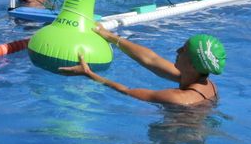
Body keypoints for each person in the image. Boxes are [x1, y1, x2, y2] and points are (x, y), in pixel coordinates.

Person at [62, 29, 224, 108]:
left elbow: (127, 91)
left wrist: (88, 73)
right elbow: (152, 59)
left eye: (183, 50)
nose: (177, 51)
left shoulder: (177, 98)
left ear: (192, 65)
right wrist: (110, 37)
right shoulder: (208, 85)